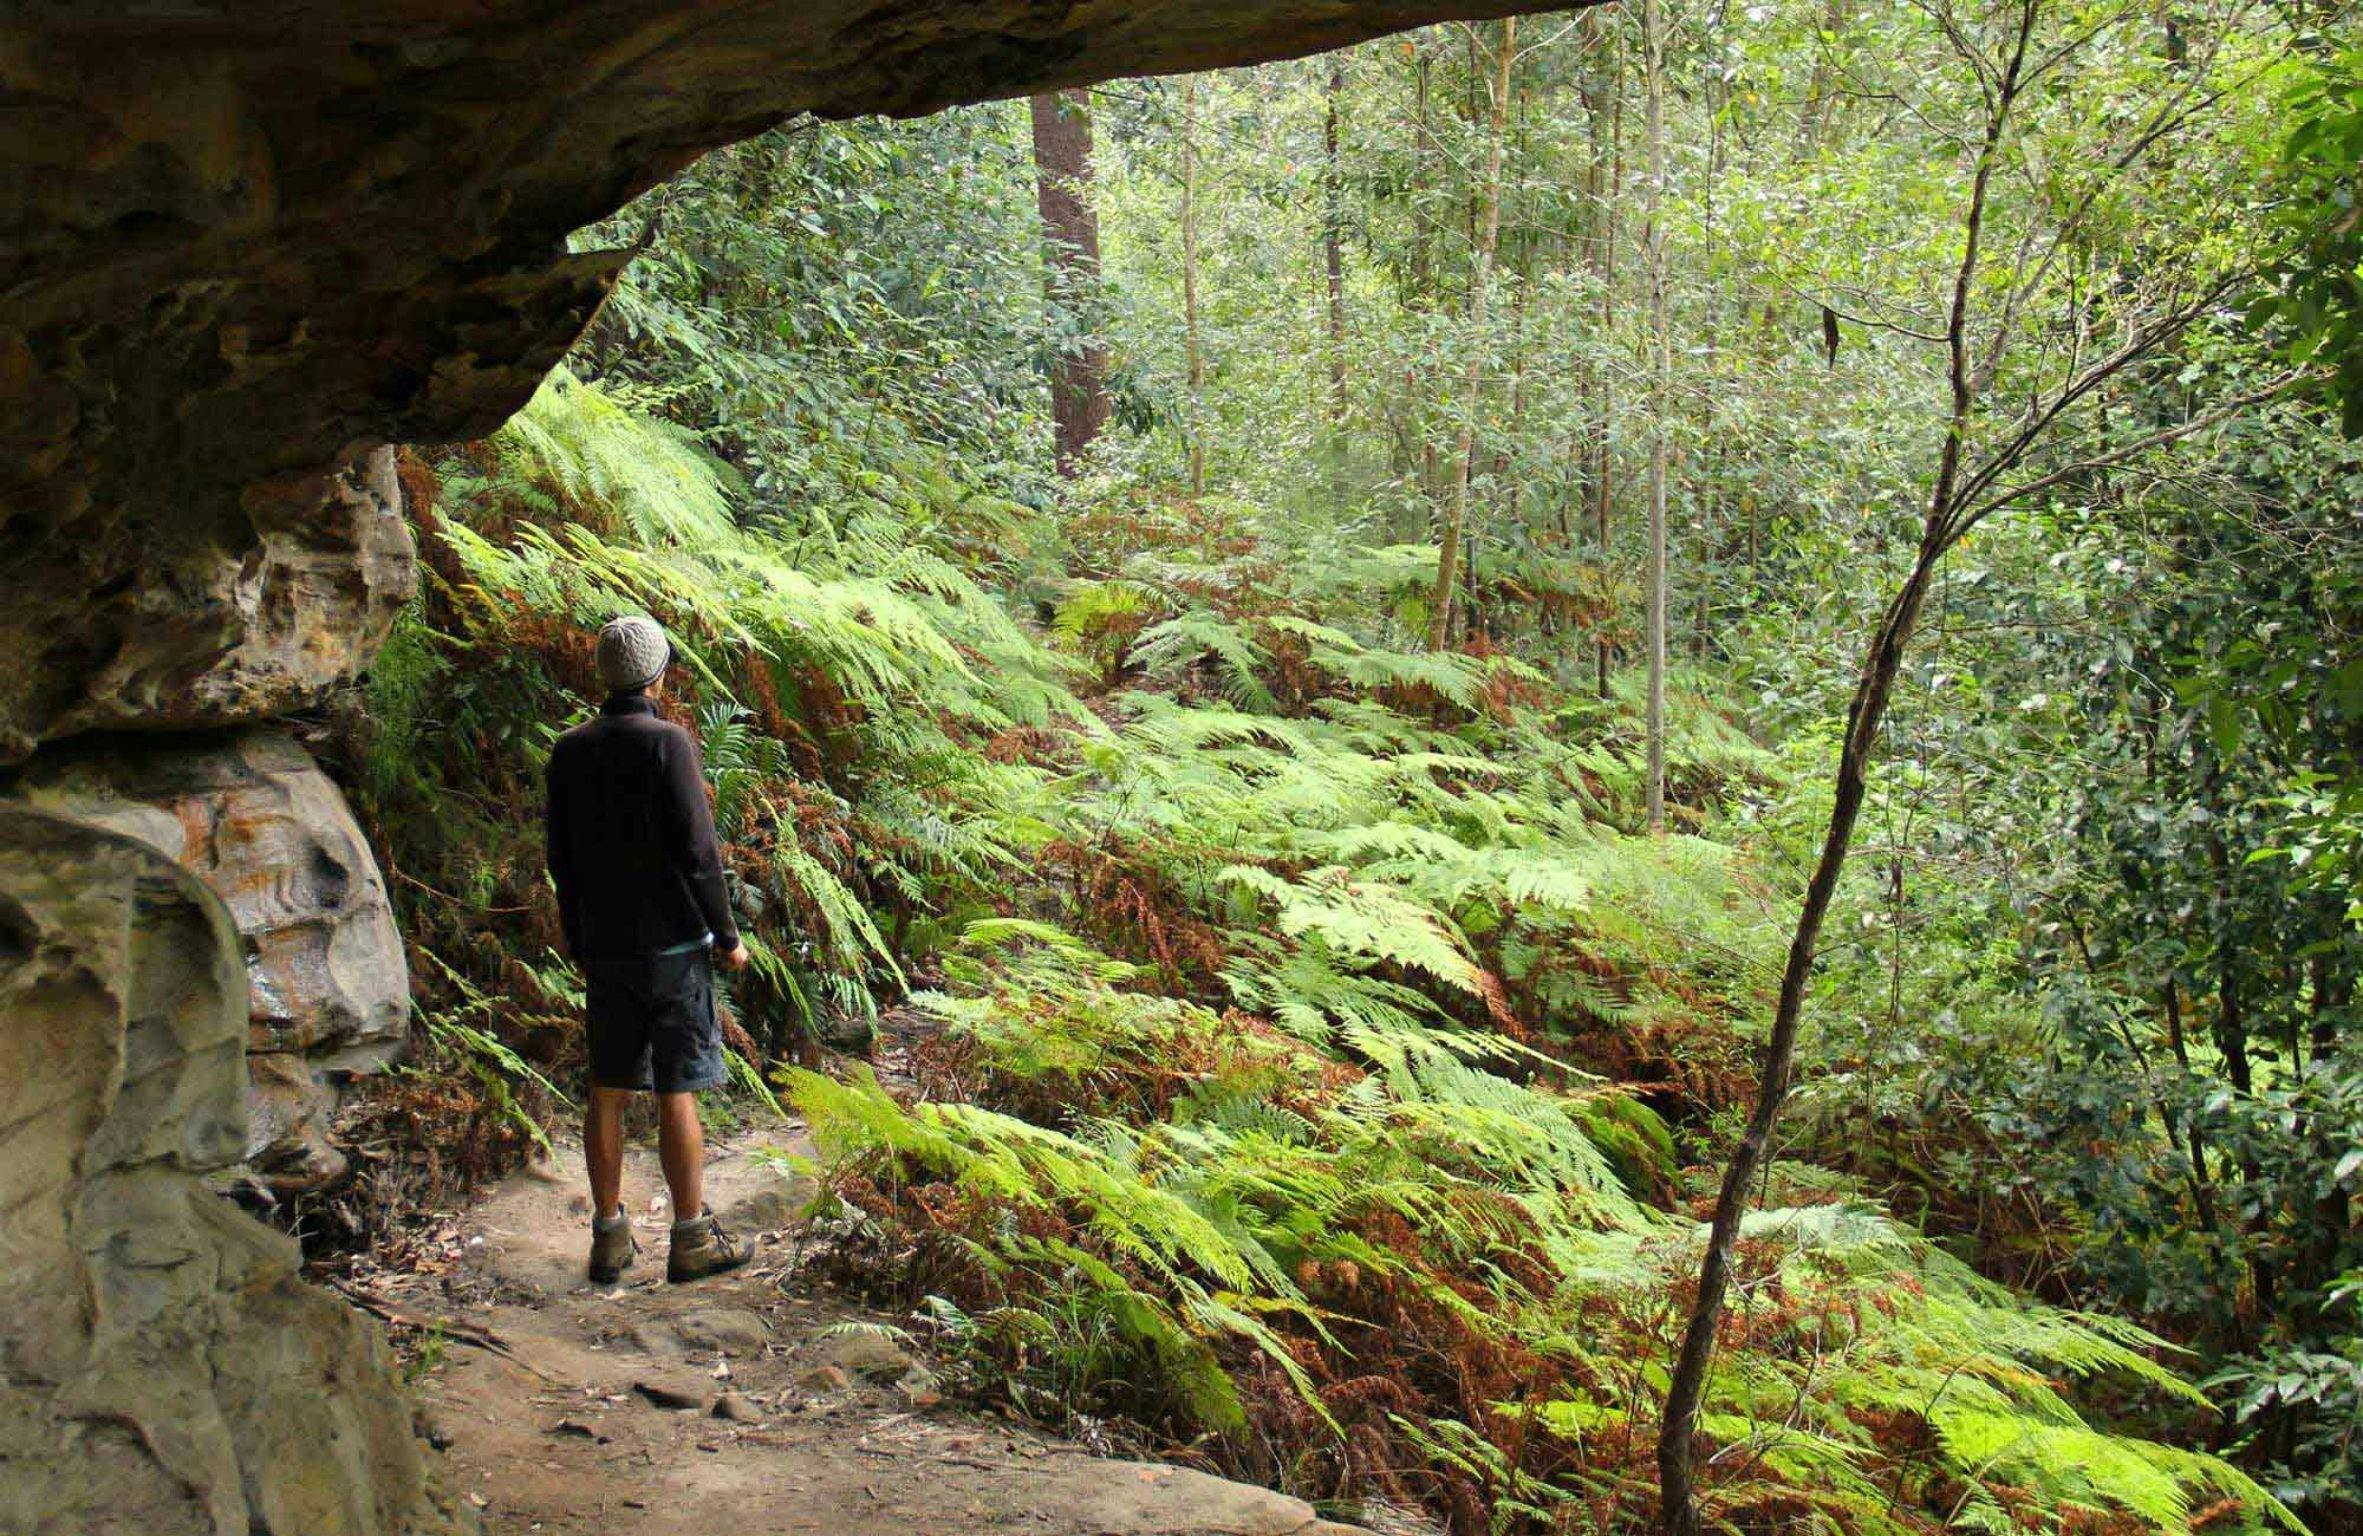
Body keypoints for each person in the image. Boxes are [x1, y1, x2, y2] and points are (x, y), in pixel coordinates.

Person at [545, 614, 755, 1285]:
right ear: (658, 674)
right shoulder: (668, 744)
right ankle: (689, 1239)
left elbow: (562, 859)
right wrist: (726, 936)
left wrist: (578, 936)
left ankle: (609, 1239)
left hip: (604, 947)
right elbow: (698, 853)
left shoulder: (568, 750)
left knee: (606, 1090)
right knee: (676, 1090)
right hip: (671, 946)